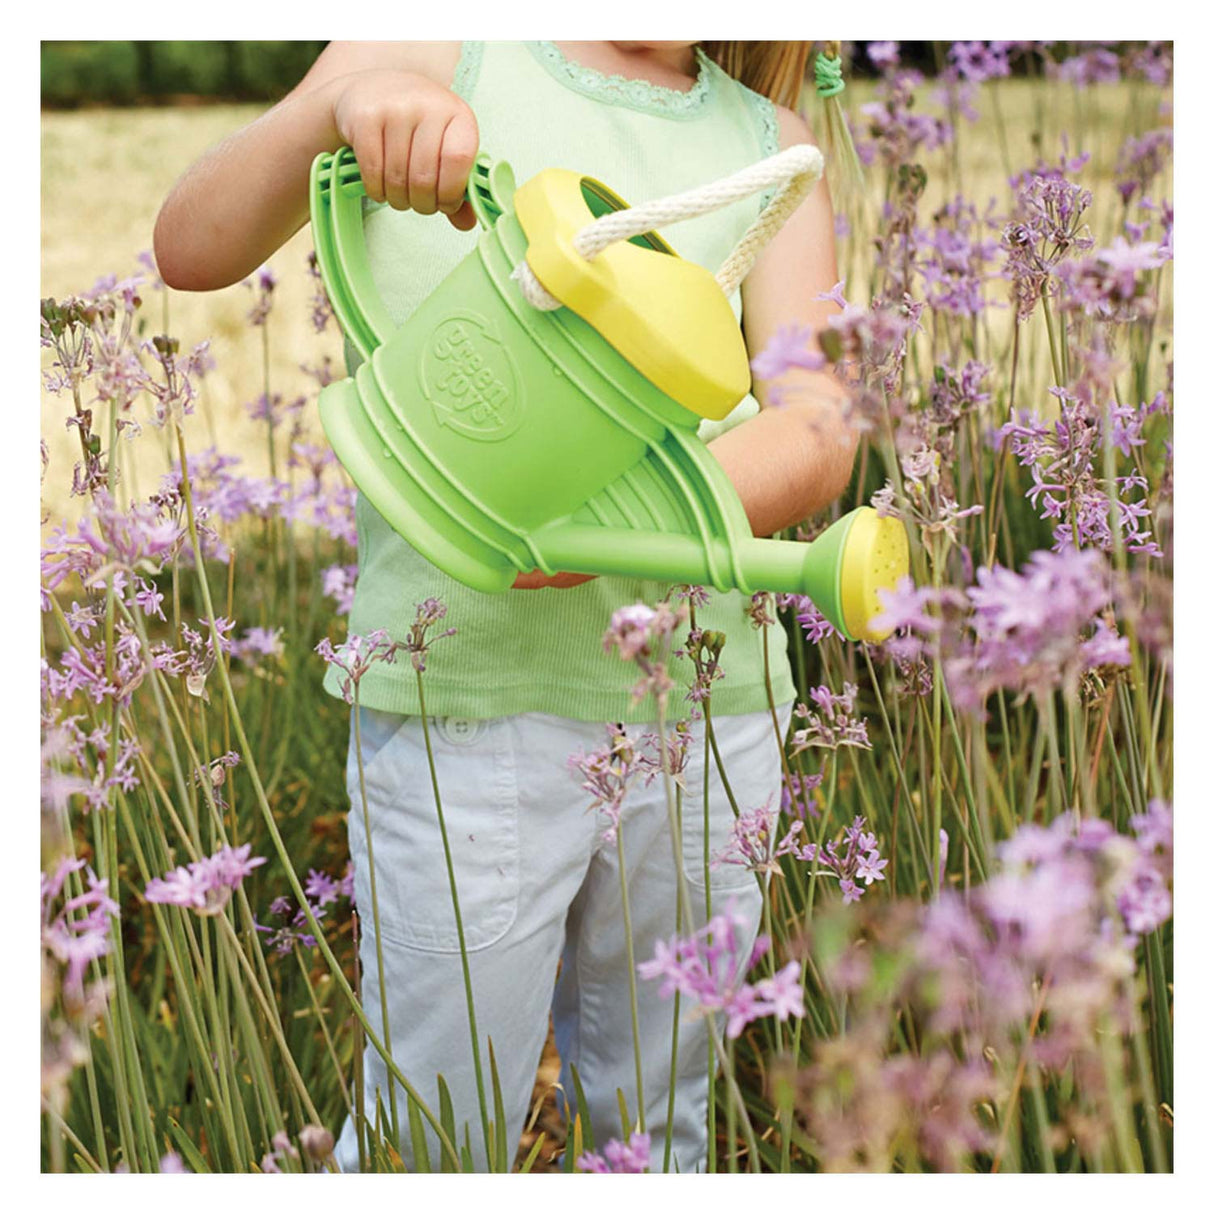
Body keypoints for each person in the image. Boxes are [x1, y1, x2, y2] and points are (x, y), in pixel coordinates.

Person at [154, 39, 857, 1173]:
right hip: (466, 704)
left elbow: (818, 414)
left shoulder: (768, 150)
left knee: (653, 1121)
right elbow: (190, 247)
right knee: (435, 1126)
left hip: (707, 713)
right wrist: (335, 109)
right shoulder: (434, 43)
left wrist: (638, 519)